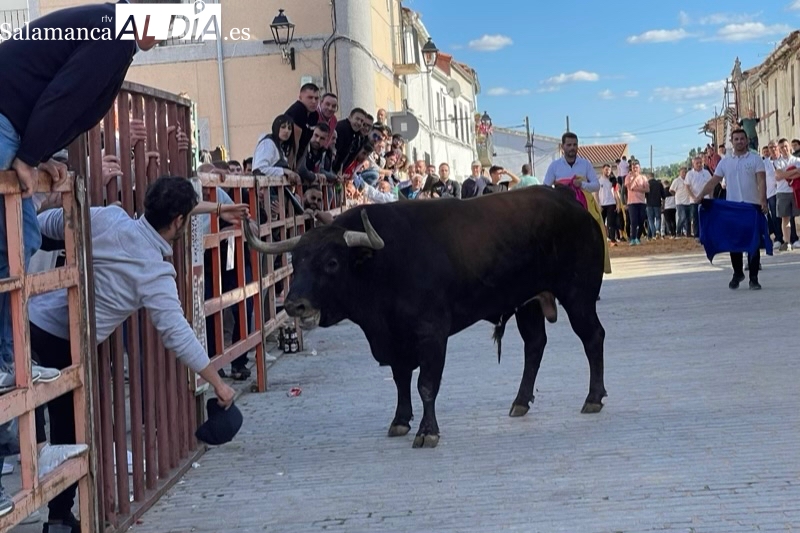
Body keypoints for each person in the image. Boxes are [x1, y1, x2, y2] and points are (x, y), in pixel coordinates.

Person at [0, 1, 162, 519]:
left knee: (16, 244)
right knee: (14, 241)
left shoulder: (115, 34)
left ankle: (7, 361)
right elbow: (66, 94)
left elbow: (67, 99)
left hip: (11, 112)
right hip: (3, 113)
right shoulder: (114, 33)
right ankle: (5, 361)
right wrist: (27, 156)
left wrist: (40, 150)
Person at [30, 177, 240, 531]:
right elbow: (178, 335)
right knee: (67, 425)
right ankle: (58, 517)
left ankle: (40, 483)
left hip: (33, 317)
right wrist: (218, 384)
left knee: (31, 401)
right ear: (177, 222)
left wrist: (216, 208)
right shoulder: (154, 272)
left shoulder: (109, 219)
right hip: (65, 340)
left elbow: (48, 224)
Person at [695, 129, 767, 290]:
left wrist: (763, 200)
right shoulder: (725, 162)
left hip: (752, 207)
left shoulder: (756, 159)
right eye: (736, 139)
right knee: (734, 243)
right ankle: (738, 272)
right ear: (731, 141)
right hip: (733, 208)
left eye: (742, 138)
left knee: (753, 243)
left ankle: (754, 278)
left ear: (747, 140)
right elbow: (714, 181)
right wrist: (701, 195)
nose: (739, 141)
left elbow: (761, 181)